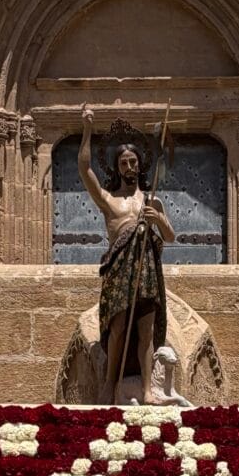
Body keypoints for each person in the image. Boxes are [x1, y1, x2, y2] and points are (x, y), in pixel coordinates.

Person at [78, 105, 175, 404]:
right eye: (124, 163)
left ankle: (147, 390)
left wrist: (157, 220)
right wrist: (87, 130)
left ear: (140, 165)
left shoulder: (152, 201)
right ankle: (109, 384)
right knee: (117, 328)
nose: (130, 167)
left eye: (133, 162)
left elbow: (170, 237)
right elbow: (85, 170)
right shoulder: (109, 201)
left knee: (145, 331)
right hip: (119, 271)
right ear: (117, 167)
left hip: (146, 270)